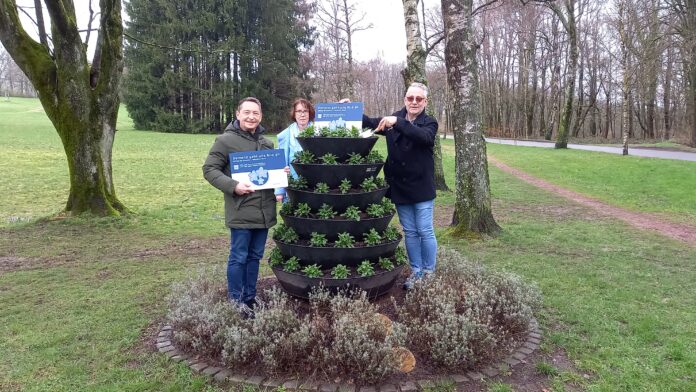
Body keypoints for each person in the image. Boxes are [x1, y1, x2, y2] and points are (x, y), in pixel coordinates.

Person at [352, 82, 438, 290]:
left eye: (419, 99)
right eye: (410, 98)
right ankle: (416, 271)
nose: (414, 102)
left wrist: (396, 121)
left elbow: (422, 137)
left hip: (422, 188)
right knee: (409, 231)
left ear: (425, 102)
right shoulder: (394, 118)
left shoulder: (429, 123)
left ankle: (429, 272)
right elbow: (372, 123)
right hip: (400, 187)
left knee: (425, 230)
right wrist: (352, 110)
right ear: (405, 99)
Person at [203, 97, 283, 318]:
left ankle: (250, 297)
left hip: (264, 211)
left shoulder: (267, 143)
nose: (251, 117)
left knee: (255, 256)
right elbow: (209, 169)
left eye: (255, 113)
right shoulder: (225, 141)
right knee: (239, 256)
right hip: (241, 209)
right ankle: (235, 300)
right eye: (246, 112)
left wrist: (280, 174)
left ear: (261, 116)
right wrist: (233, 185)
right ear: (238, 114)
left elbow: (268, 177)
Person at [275, 98, 315, 202]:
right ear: (294, 113)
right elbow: (280, 163)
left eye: (305, 111)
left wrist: (343, 107)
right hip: (292, 184)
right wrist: (279, 191)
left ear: (310, 113)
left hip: (314, 184)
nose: (302, 114)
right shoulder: (285, 135)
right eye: (299, 111)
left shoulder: (319, 132)